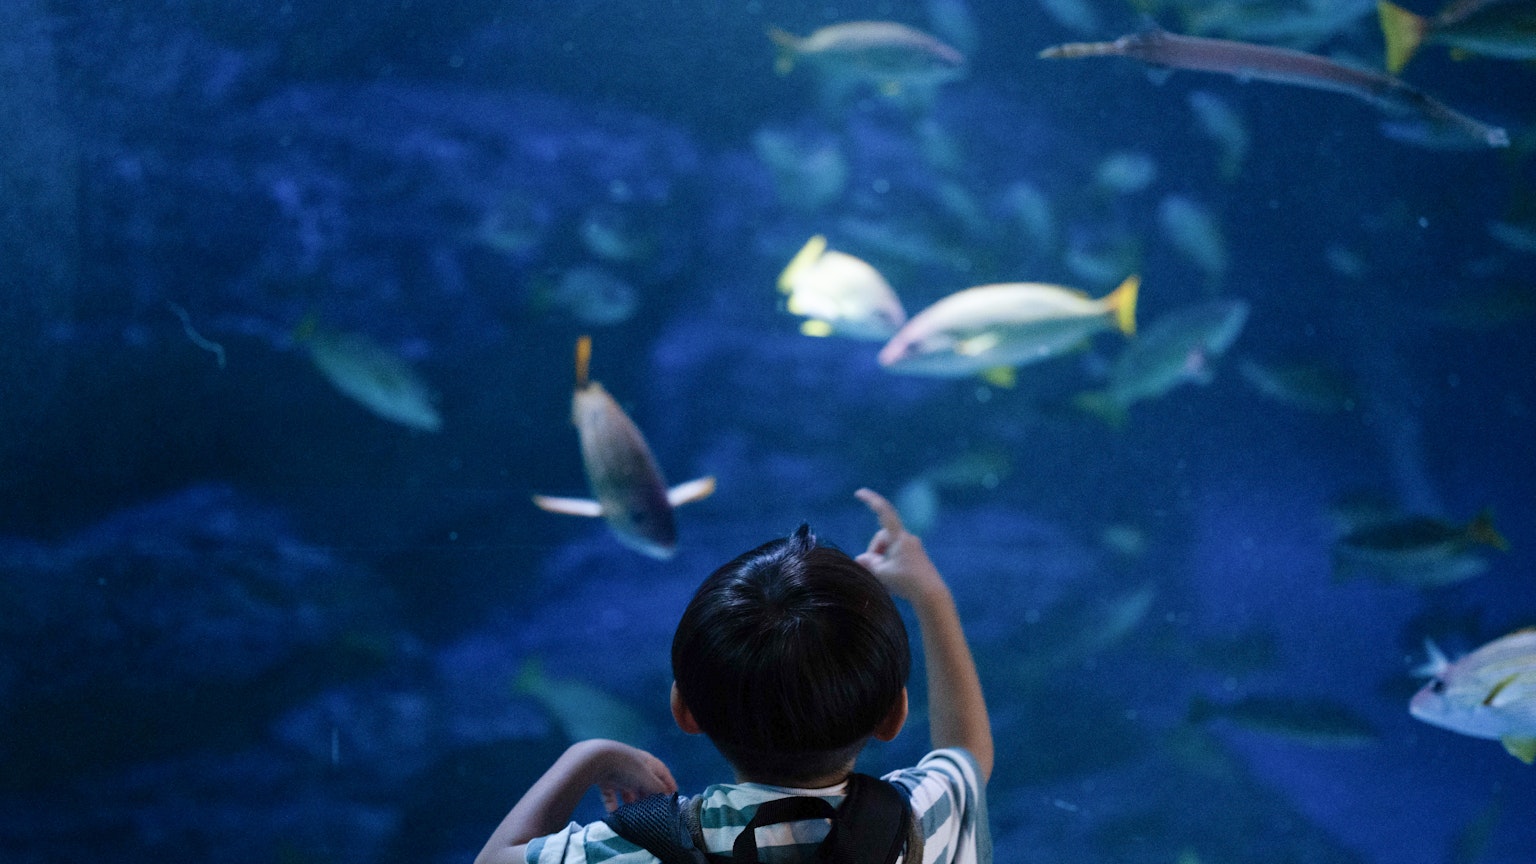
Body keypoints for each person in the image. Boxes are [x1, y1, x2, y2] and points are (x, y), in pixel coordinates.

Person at [476, 487, 992, 864]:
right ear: (895, 714)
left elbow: (495, 861)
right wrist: (931, 597)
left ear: (684, 709)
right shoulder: (923, 821)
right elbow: (967, 756)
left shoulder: (638, 850)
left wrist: (590, 756)